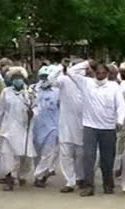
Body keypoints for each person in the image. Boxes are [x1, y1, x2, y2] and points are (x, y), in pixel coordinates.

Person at [67, 60, 125, 196]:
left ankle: (108, 185)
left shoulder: (113, 87)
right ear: (94, 72)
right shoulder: (86, 83)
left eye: (103, 73)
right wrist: (87, 63)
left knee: (107, 158)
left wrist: (120, 120)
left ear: (108, 74)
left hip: (108, 127)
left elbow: (121, 105)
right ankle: (88, 186)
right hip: (90, 127)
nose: (100, 75)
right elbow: (71, 72)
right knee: (88, 157)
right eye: (98, 72)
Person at [0, 66, 37, 191]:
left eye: (19, 78)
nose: (17, 80)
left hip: (24, 130)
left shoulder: (30, 93)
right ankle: (9, 178)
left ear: (24, 79)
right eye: (15, 78)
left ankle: (21, 175)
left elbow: (38, 108)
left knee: (25, 157)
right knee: (7, 156)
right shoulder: (6, 92)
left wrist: (33, 113)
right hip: (8, 130)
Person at [48, 59, 85, 193]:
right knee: (66, 155)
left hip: (82, 126)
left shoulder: (88, 83)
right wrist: (60, 66)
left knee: (81, 154)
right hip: (65, 126)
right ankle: (70, 181)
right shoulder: (64, 80)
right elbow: (51, 79)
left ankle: (81, 177)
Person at [31, 66, 60, 188]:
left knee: (47, 153)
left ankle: (39, 176)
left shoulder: (58, 92)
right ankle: (43, 172)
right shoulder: (33, 89)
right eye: (42, 77)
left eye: (46, 77)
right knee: (37, 154)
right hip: (36, 126)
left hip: (52, 127)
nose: (44, 79)